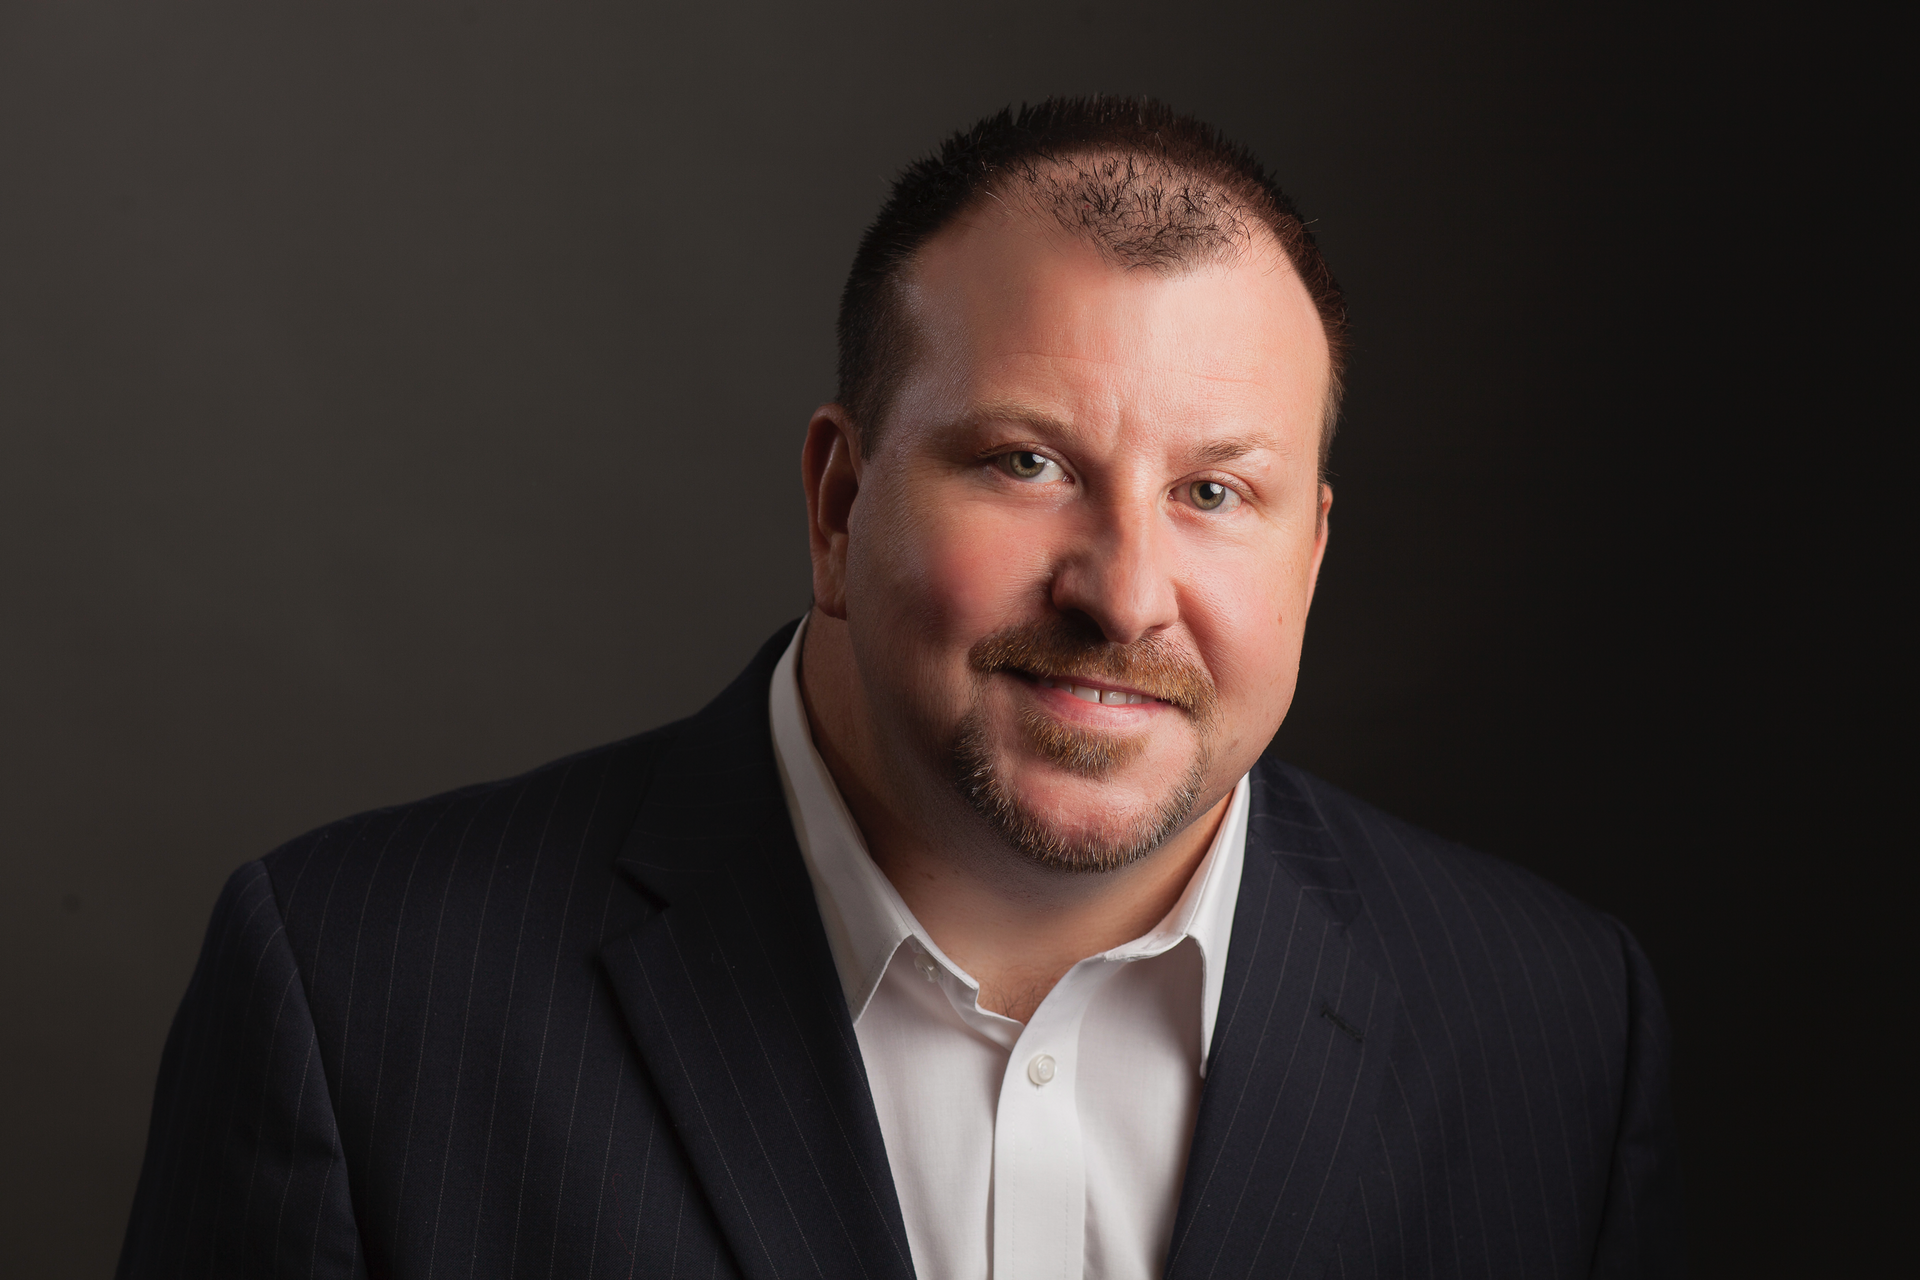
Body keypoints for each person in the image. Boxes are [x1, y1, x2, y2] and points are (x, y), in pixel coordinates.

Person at [119, 97, 1681, 1280]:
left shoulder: (1551, 1032)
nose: (1125, 591)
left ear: (1313, 554)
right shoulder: (357, 999)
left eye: (1217, 494)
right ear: (836, 500)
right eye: (1027, 462)